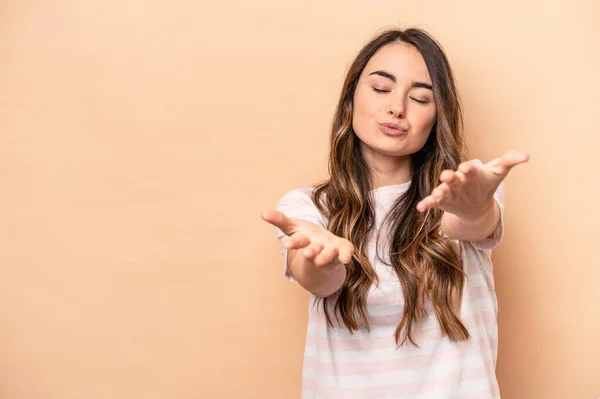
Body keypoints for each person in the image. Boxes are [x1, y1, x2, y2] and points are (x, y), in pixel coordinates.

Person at [261, 27, 529, 399]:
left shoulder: (464, 187)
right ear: (351, 97)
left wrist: (474, 207)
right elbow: (320, 281)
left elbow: (470, 221)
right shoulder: (309, 207)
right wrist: (320, 260)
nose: (397, 107)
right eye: (381, 89)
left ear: (438, 118)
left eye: (420, 98)